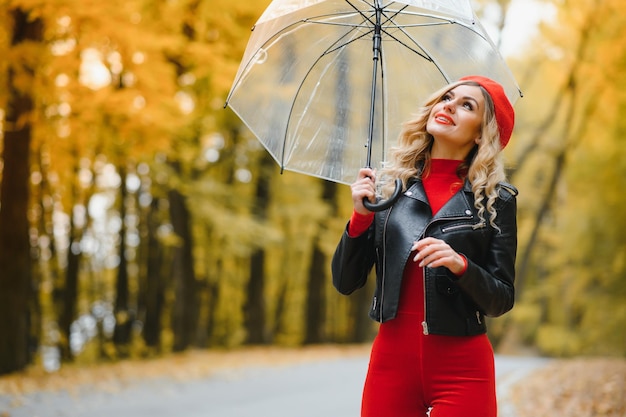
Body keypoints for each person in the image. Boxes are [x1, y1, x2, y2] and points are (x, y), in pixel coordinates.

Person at [331, 75, 518, 417]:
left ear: (481, 133)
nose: (449, 105)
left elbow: (501, 298)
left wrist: (461, 265)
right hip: (390, 366)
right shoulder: (387, 189)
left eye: (466, 105)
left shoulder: (496, 201)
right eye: (447, 97)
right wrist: (360, 217)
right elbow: (345, 282)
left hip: (464, 370)